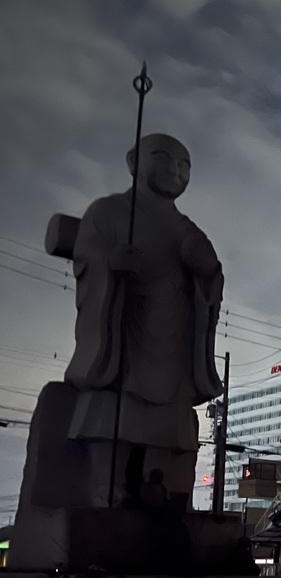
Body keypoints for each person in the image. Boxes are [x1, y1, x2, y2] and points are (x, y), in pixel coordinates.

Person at [64, 133, 223, 508]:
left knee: (172, 417)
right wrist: (110, 263)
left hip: (174, 334)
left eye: (184, 165)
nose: (175, 170)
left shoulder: (186, 228)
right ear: (133, 161)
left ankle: (166, 490)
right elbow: (88, 254)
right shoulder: (108, 212)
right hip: (124, 330)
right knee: (114, 408)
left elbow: (211, 277)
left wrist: (206, 271)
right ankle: (105, 485)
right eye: (164, 158)